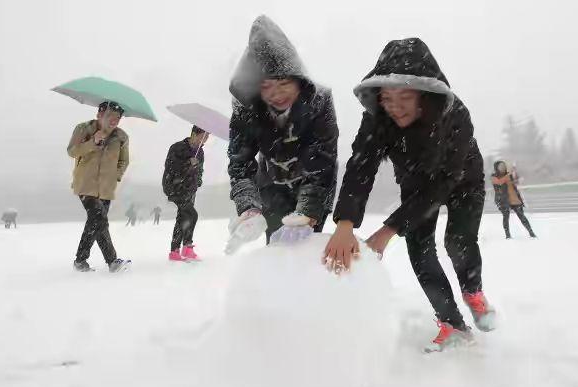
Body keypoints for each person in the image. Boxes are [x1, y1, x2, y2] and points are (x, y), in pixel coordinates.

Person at [324, 38, 496, 352]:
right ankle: (453, 324)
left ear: (426, 95)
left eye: (405, 95)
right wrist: (345, 223)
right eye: (387, 97)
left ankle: (473, 292)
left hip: (461, 181)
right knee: (419, 250)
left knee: (458, 240)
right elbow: (360, 168)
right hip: (415, 183)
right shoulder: (378, 120)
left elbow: (444, 182)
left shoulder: (456, 114)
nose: (395, 106)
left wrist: (388, 229)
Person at [225, 15, 338, 254]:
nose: (276, 94)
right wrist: (249, 207)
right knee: (276, 247)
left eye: (283, 83)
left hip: (313, 181)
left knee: (304, 245)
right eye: (265, 86)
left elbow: (322, 163)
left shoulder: (320, 102)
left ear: (299, 80)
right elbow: (240, 164)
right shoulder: (246, 110)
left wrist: (307, 212)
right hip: (272, 184)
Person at [67, 101, 131, 273]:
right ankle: (110, 261)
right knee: (99, 219)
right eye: (110, 116)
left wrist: (115, 177)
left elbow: (124, 161)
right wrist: (92, 142)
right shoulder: (83, 129)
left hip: (106, 189)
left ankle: (83, 261)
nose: (114, 121)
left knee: (98, 223)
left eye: (117, 118)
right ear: (99, 114)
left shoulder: (121, 137)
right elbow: (72, 151)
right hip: (85, 184)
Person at [162, 125, 208, 261]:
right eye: (203, 136)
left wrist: (198, 181)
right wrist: (188, 163)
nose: (204, 140)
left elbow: (199, 170)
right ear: (194, 134)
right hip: (175, 187)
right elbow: (170, 166)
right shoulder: (177, 147)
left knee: (182, 217)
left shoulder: (200, 152)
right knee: (192, 215)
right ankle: (187, 247)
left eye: (207, 137)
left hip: (189, 188)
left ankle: (174, 251)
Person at [492, 160, 536, 239]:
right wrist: (509, 176)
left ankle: (531, 232)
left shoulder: (509, 175)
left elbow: (516, 181)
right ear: (496, 168)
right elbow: (500, 182)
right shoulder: (494, 177)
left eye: (503, 166)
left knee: (522, 216)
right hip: (503, 200)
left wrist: (516, 178)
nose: (503, 168)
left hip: (514, 198)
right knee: (506, 217)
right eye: (501, 167)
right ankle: (508, 235)